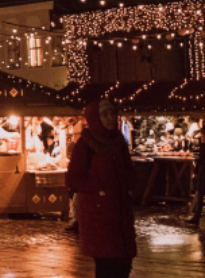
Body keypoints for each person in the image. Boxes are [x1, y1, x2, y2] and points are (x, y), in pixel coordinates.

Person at [67, 99, 137, 278]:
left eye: (112, 113)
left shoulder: (119, 142)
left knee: (124, 263)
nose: (110, 118)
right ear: (95, 118)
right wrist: (99, 188)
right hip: (99, 215)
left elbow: (129, 170)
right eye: (104, 114)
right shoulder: (86, 144)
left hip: (120, 212)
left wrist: (127, 184)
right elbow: (74, 179)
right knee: (107, 265)